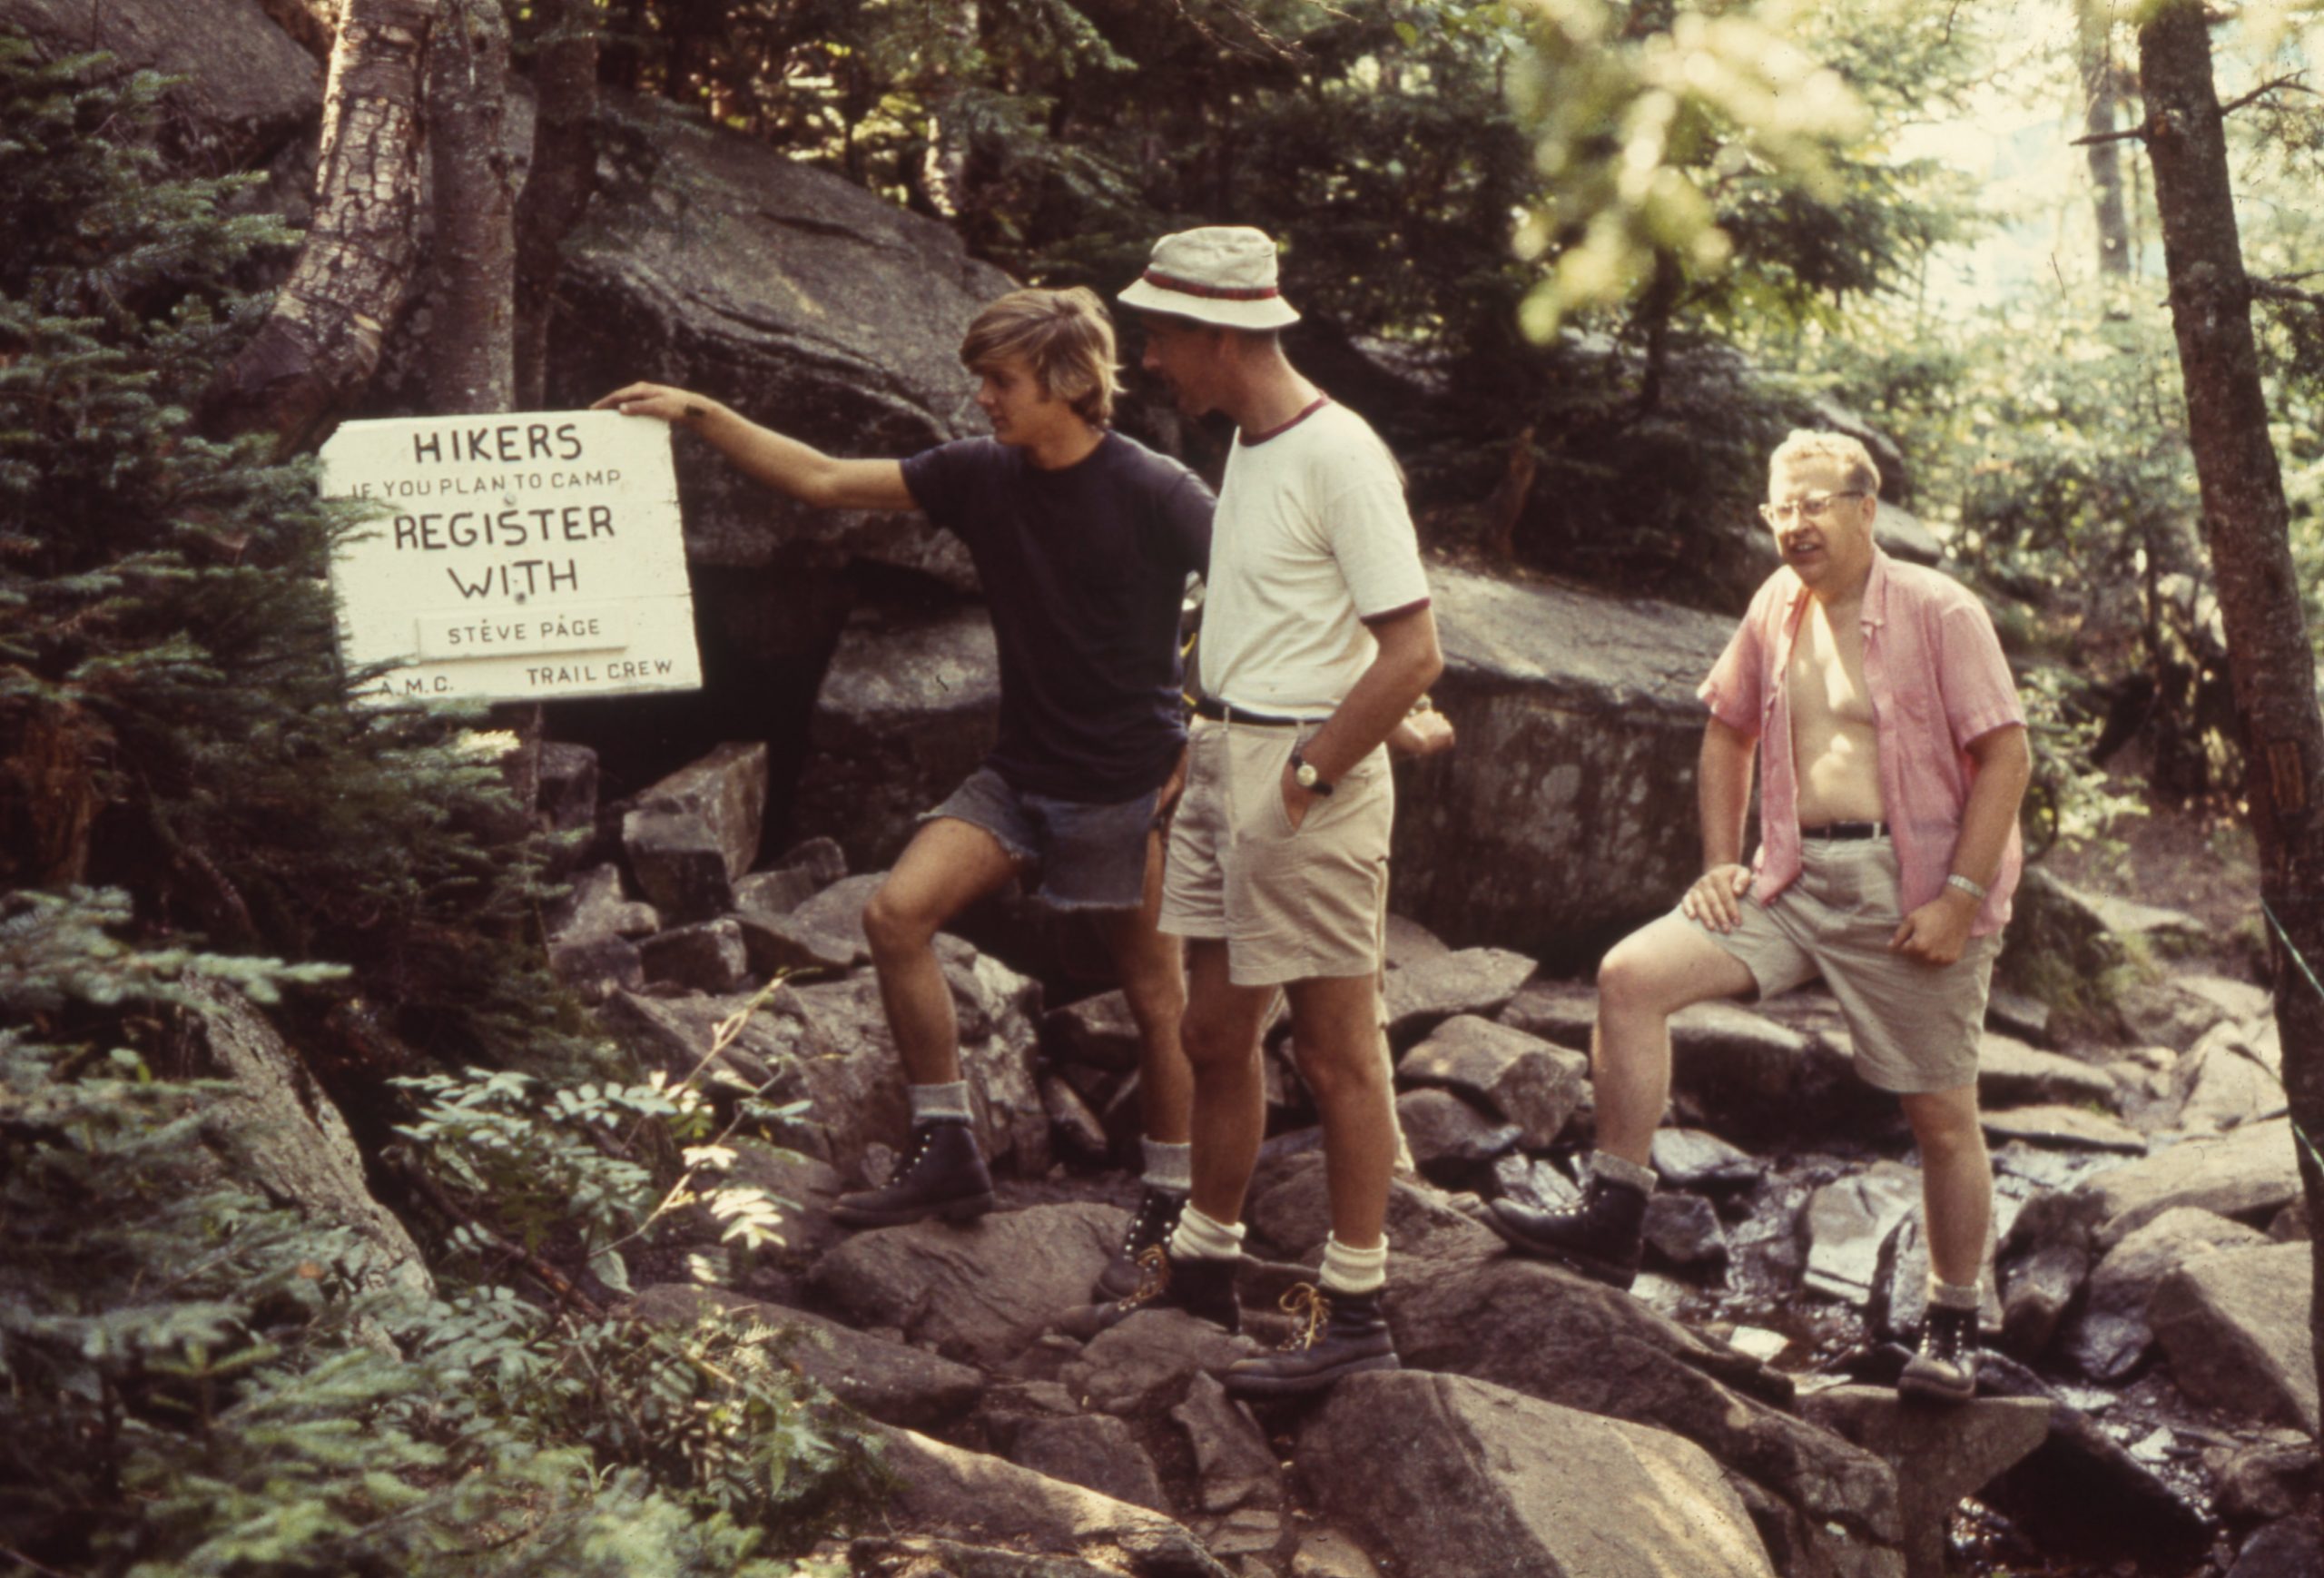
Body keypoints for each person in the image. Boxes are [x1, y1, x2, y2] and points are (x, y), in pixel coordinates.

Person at [597, 288, 1212, 1297]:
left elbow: (1266, 591)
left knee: (1156, 998)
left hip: (1127, 783)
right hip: (1022, 770)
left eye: (999, 380)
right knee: (894, 916)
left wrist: (1205, 722)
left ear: (1067, 382)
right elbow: (823, 478)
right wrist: (698, 412)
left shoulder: (1157, 488)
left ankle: (1173, 1205)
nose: (981, 398)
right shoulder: (980, 473)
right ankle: (949, 1146)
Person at [1486, 429, 2031, 1404]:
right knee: (1629, 977)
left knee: (1942, 1118)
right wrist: (1718, 863)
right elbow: (1725, 731)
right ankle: (1613, 1218)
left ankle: (1951, 1326)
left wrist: (1957, 899)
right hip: (1792, 878)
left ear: (1866, 508)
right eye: (1780, 507)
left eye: (1814, 504)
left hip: (1910, 891)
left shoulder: (1941, 610)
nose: (1795, 525)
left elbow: (2007, 758)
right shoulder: (1774, 604)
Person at [1097, 226, 1452, 1399]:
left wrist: (1310, 772)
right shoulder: (1251, 442)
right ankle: (1206, 1256)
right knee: (1212, 1031)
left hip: (1301, 776)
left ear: (1220, 334)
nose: (1151, 359)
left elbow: (1414, 650)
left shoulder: (1338, 452)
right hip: (1224, 753)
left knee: (1337, 1049)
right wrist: (1201, 743)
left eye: (1162, 335)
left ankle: (1356, 1306)